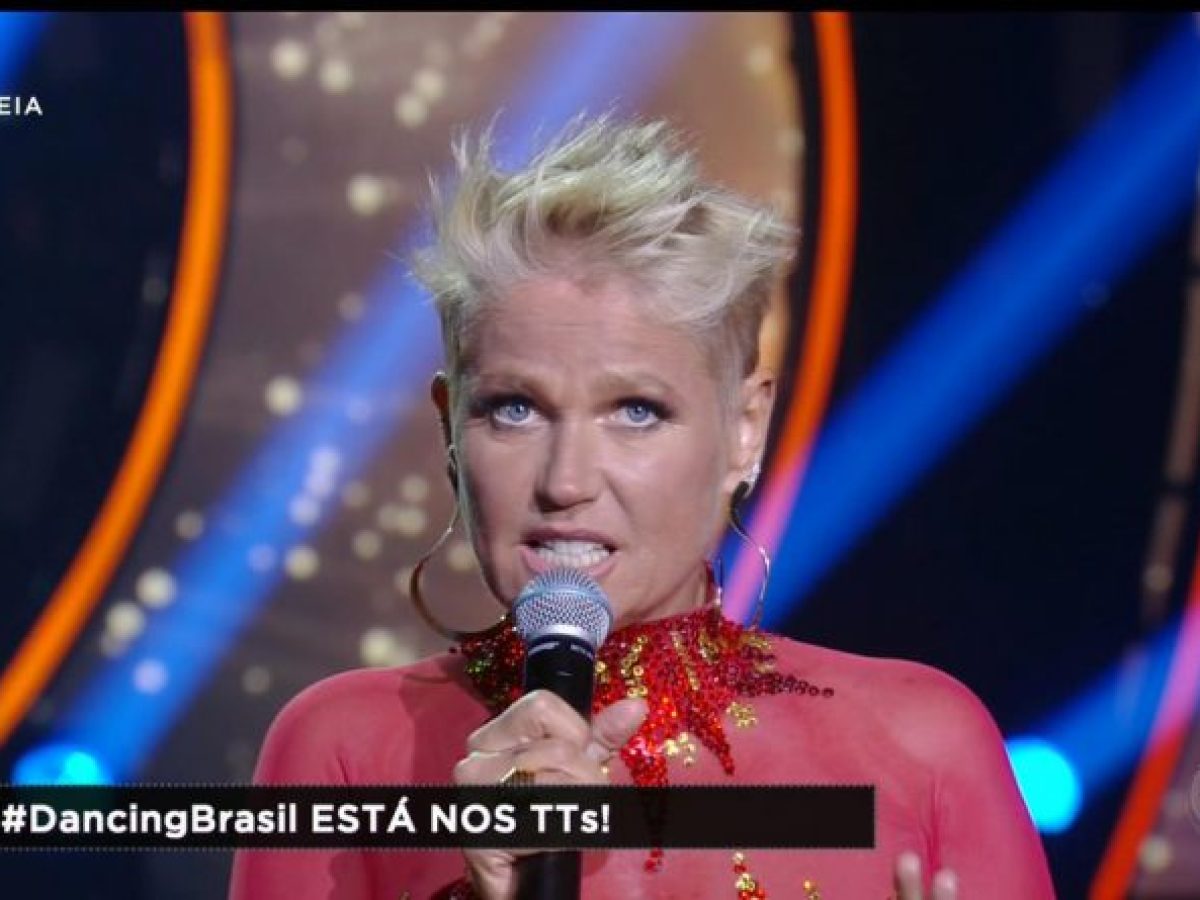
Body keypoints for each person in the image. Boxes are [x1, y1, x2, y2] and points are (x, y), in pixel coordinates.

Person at [229, 115, 1056, 899]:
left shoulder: (922, 747)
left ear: (744, 430)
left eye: (636, 411)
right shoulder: (343, 750)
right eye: (514, 408)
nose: (565, 481)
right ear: (451, 427)